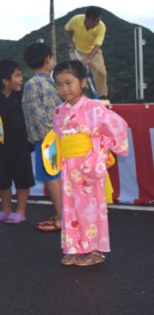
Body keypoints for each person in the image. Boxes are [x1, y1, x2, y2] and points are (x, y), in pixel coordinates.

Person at [52, 60, 128, 266]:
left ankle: (95, 251)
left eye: (69, 83)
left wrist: (100, 150)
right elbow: (57, 138)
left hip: (88, 166)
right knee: (70, 207)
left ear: (83, 82)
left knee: (91, 208)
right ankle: (75, 247)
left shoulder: (94, 107)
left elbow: (118, 126)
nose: (64, 88)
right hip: (68, 166)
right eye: (59, 84)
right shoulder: (59, 111)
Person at [0, 59, 35, 224]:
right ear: (5, 81)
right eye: (17, 76)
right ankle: (5, 210)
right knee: (2, 181)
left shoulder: (24, 96)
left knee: (22, 180)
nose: (21, 79)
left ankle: (20, 211)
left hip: (21, 147)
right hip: (0, 148)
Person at [22, 42, 63, 232]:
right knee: (57, 177)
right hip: (59, 136)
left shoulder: (31, 84)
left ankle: (61, 218)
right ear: (48, 60)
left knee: (51, 177)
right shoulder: (56, 82)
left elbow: (35, 115)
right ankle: (63, 215)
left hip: (46, 139)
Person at [65, 6, 108, 100]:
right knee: (77, 73)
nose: (96, 23)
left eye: (98, 20)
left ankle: (102, 96)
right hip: (77, 51)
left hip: (93, 52)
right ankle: (78, 96)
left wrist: (88, 58)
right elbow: (67, 29)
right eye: (94, 21)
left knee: (101, 72)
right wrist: (71, 42)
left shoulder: (101, 26)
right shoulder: (76, 19)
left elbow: (97, 45)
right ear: (87, 18)